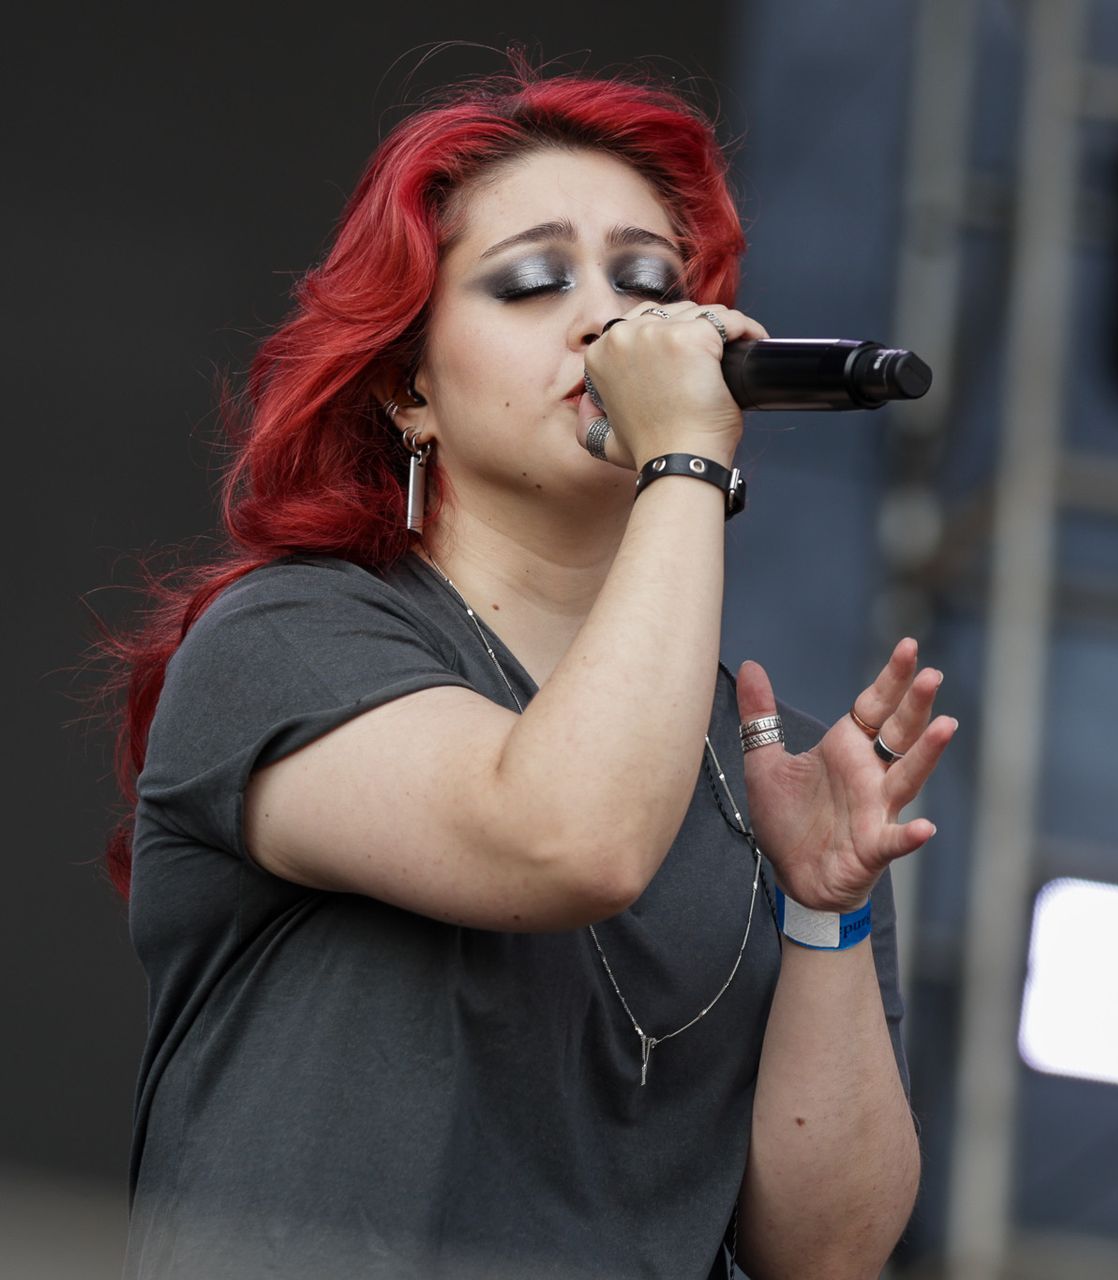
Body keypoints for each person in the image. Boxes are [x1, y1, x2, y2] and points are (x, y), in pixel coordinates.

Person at [94, 60, 952, 1280]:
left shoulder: (771, 766)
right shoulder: (284, 640)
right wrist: (685, 461)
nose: (613, 323)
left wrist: (825, 908)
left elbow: (826, 1252)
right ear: (409, 389)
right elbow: (568, 837)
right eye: (535, 280)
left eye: (649, 283)